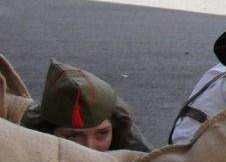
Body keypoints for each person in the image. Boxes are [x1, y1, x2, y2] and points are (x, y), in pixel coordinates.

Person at [20, 60, 150, 152]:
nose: (90, 148)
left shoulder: (133, 152)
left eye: (102, 133)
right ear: (48, 134)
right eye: (74, 136)